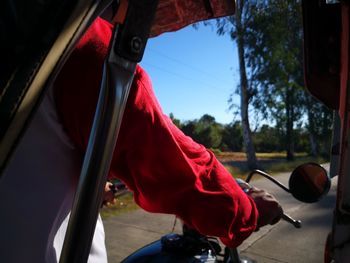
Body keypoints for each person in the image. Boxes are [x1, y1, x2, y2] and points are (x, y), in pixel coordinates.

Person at [0, 16, 282, 262]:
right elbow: (172, 165)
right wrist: (246, 209)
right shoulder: (83, 41)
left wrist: (90, 186)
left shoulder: (19, 27)